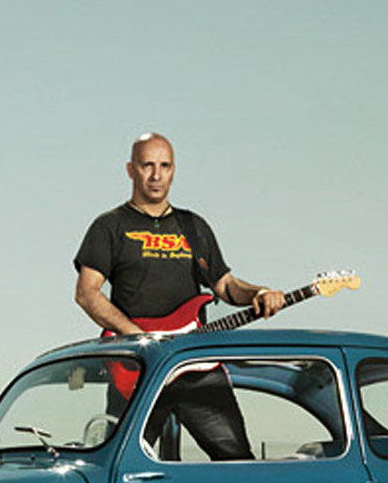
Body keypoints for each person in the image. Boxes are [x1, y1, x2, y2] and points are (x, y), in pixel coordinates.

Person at [73, 132, 286, 462]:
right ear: (131, 170)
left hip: (195, 363)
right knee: (120, 466)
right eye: (147, 165)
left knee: (237, 462)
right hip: (140, 366)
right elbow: (87, 293)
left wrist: (259, 293)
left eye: (165, 166)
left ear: (174, 170)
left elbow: (225, 286)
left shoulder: (193, 226)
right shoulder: (110, 226)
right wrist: (137, 337)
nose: (156, 175)